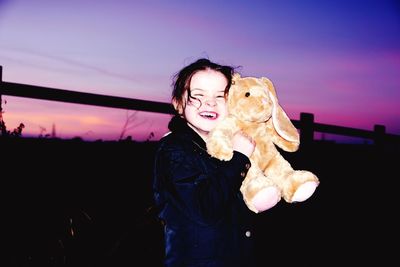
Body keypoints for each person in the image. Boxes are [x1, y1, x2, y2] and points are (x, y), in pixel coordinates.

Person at [152, 58, 258, 267]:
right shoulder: (175, 149)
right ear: (178, 104)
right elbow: (205, 208)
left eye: (221, 96)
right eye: (198, 96)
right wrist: (239, 159)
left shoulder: (225, 146)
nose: (210, 102)